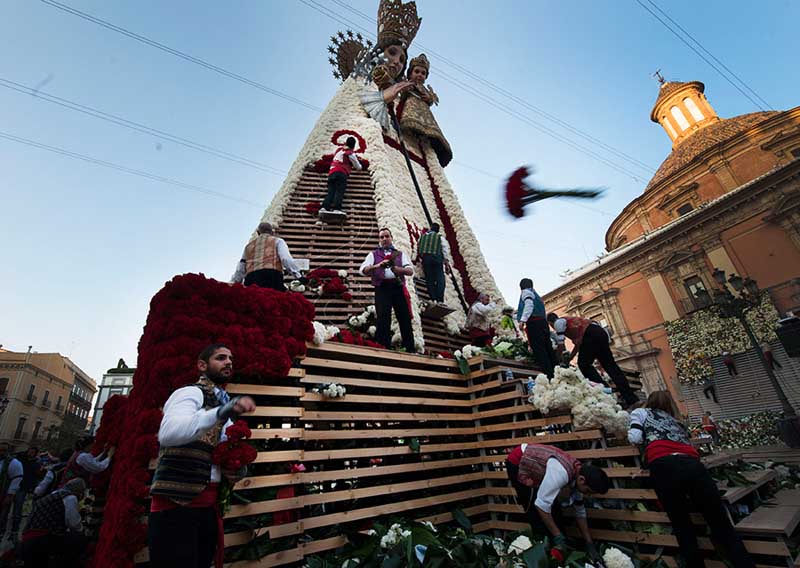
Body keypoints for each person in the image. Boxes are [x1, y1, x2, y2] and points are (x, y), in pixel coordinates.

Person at [148, 344, 257, 568]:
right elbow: (168, 434)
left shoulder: (223, 403)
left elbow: (221, 454)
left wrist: (237, 469)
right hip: (177, 508)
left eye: (230, 358)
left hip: (208, 508)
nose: (228, 362)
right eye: (220, 357)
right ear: (202, 365)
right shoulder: (189, 392)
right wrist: (221, 412)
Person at [628, 391, 754, 568]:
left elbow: (634, 437)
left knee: (682, 525)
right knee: (720, 523)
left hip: (664, 466)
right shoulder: (676, 422)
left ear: (649, 402)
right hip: (693, 465)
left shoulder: (640, 413)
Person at [505, 443, 608, 562]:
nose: (588, 495)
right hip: (518, 461)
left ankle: (558, 551)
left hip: (539, 466)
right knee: (535, 512)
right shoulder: (561, 473)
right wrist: (558, 535)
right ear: (582, 480)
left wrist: (589, 543)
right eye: (589, 491)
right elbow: (541, 505)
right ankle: (541, 554)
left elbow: (580, 511)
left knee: (555, 512)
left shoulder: (579, 475)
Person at [547, 312, 639, 408]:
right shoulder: (570, 322)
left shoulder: (558, 323)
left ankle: (603, 389)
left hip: (590, 335)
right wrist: (570, 358)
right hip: (599, 332)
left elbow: (561, 345)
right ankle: (631, 398)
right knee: (610, 366)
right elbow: (578, 345)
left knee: (583, 365)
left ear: (550, 322)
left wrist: (558, 359)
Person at [359, 228, 416, 352]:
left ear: (391, 237)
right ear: (379, 240)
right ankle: (383, 347)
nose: (384, 239)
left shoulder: (400, 254)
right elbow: (362, 270)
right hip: (382, 288)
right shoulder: (373, 254)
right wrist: (378, 265)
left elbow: (410, 271)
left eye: (386, 236)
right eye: (382, 237)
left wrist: (397, 269)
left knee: (404, 317)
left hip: (398, 287)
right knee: (383, 317)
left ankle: (410, 348)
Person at [397, 53, 452, 167]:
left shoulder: (425, 89)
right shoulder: (407, 83)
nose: (420, 75)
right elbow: (401, 95)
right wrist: (407, 90)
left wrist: (429, 99)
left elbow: (431, 100)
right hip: (411, 107)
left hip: (425, 112)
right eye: (416, 71)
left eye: (423, 73)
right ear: (410, 73)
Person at [19, 478, 88, 568]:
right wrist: (82, 529)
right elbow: (74, 524)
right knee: (79, 538)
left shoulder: (53, 495)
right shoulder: (70, 497)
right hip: (43, 539)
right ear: (79, 492)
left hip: (27, 539)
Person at [231, 222, 302, 291]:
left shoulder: (248, 246)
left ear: (258, 233)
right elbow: (285, 259)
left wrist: (235, 284)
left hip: (251, 279)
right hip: (271, 277)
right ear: (272, 232)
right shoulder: (277, 241)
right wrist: (298, 276)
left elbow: (241, 268)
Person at [517, 279, 557, 379]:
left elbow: (529, 305)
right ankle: (557, 372)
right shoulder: (536, 295)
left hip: (534, 324)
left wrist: (522, 320)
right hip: (543, 323)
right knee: (548, 349)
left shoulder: (526, 292)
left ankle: (549, 375)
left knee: (540, 350)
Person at [321, 136, 362, 216]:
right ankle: (336, 208)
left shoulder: (339, 150)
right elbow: (358, 166)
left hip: (332, 172)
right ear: (353, 145)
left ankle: (324, 207)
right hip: (341, 172)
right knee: (339, 191)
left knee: (331, 191)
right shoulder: (350, 153)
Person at [416, 223, 451, 304]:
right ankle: (440, 299)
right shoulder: (440, 237)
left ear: (430, 228)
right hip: (437, 258)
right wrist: (446, 262)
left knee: (429, 279)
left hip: (426, 259)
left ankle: (433, 298)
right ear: (438, 230)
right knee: (440, 279)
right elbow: (445, 249)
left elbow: (419, 246)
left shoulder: (423, 236)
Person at [0, 442, 23, 541]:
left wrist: (10, 495)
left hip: (3, 494)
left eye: (4, 450)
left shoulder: (14, 463)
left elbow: (17, 479)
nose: (1, 452)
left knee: (2, 516)